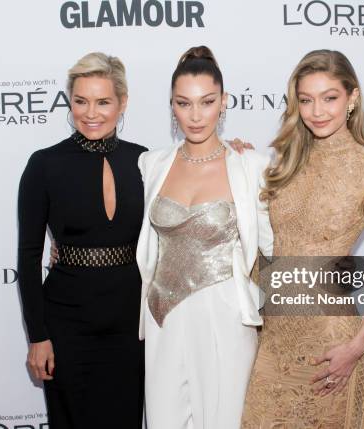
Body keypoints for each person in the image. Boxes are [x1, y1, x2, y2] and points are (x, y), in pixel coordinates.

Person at [240, 50, 364, 428]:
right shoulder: (284, 162)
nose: (317, 111)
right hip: (275, 339)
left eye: (329, 97)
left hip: (331, 346)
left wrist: (357, 346)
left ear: (353, 98)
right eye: (306, 99)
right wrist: (238, 162)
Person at [136, 46, 274, 429]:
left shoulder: (252, 166)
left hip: (226, 317)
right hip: (162, 315)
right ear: (171, 106)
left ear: (224, 102)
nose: (195, 116)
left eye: (207, 102)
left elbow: (275, 248)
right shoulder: (151, 164)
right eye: (183, 104)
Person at [17, 52, 146, 428]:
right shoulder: (44, 165)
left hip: (130, 325)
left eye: (103, 101)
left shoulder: (147, 162)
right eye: (81, 101)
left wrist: (235, 153)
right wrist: (38, 336)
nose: (91, 113)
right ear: (69, 102)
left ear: (122, 103)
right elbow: (27, 257)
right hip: (66, 324)